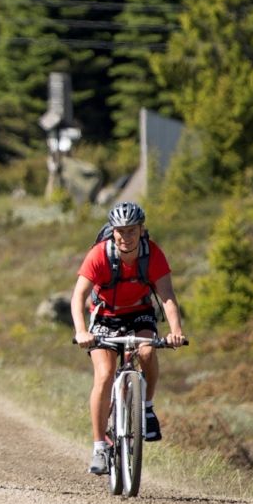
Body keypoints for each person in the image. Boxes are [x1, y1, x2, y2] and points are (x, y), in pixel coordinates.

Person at [71, 200, 186, 475]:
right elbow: (78, 296)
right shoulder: (100, 255)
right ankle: (100, 445)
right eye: (120, 231)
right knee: (104, 374)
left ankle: (146, 407)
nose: (126, 237)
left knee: (147, 352)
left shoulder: (152, 254)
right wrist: (81, 331)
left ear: (141, 230)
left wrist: (176, 331)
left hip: (139, 313)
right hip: (104, 317)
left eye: (132, 230)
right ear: (113, 231)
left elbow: (167, 296)